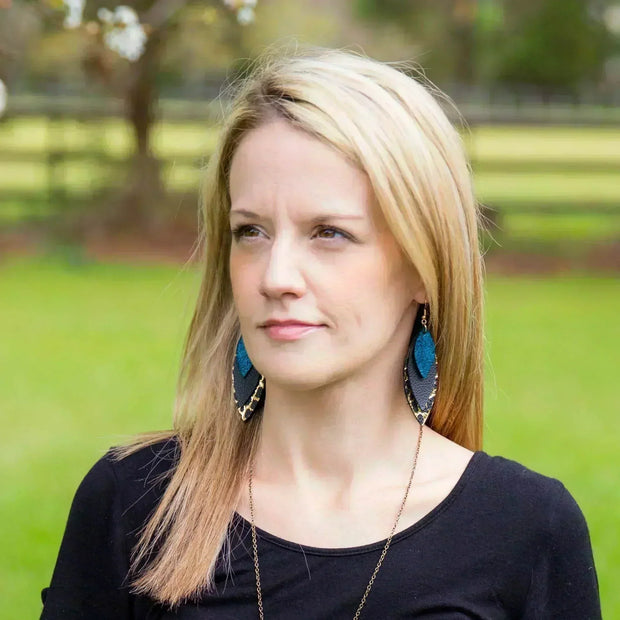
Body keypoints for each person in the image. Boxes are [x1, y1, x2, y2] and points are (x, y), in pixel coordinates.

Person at [40, 45, 601, 619]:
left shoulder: (526, 530)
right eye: (251, 231)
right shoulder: (137, 502)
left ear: (424, 268)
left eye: (329, 233)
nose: (276, 276)